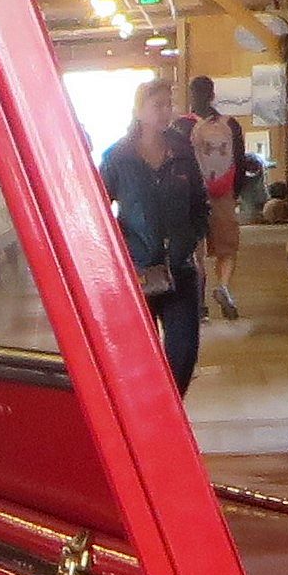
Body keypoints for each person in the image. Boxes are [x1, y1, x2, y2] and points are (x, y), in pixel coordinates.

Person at [101, 77, 208, 391]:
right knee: (138, 355)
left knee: (184, 352)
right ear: (139, 110)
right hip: (138, 271)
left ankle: (169, 406)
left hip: (180, 268)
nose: (165, 111)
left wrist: (191, 237)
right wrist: (120, 251)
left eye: (168, 105)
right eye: (157, 105)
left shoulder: (182, 153)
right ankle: (150, 406)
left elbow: (199, 203)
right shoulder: (118, 157)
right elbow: (98, 209)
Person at [182, 75, 252, 323]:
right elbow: (240, 163)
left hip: (193, 196)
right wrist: (233, 192)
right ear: (212, 95)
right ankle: (223, 286)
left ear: (191, 95)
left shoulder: (181, 126)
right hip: (222, 193)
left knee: (196, 251)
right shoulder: (231, 125)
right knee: (227, 248)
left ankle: (199, 305)